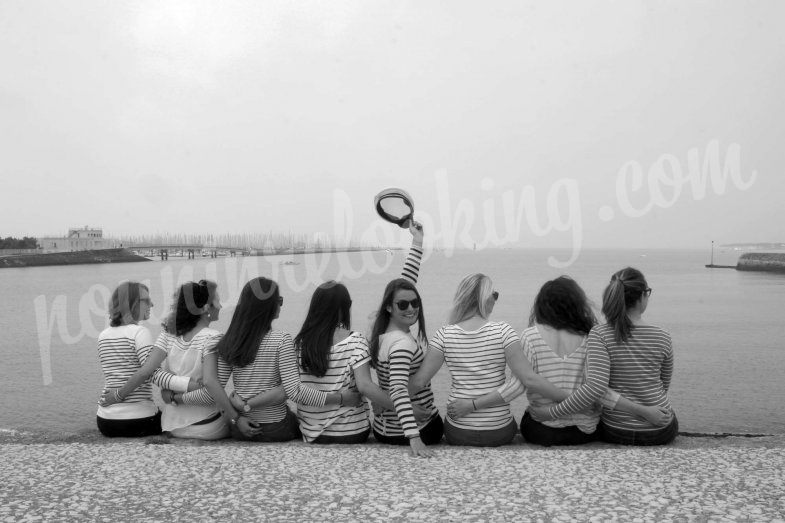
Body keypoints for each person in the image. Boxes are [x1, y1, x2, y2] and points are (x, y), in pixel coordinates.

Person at [411, 274, 573, 447]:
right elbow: (528, 379)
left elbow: (419, 381)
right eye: (494, 294)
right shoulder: (504, 332)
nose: (495, 299)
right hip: (499, 432)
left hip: (458, 431)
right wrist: (572, 399)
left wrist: (387, 402)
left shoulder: (444, 335)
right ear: (483, 298)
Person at [201, 277, 361, 442]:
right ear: (268, 306)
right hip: (276, 427)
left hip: (241, 428)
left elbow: (214, 386)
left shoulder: (230, 341)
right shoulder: (281, 340)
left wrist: (237, 416)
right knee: (297, 419)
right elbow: (294, 391)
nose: (280, 305)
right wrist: (341, 398)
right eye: (279, 300)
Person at [534, 269, 677, 446]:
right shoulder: (663, 336)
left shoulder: (600, 334)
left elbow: (596, 389)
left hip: (616, 430)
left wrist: (552, 412)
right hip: (659, 429)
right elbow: (663, 384)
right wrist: (646, 410)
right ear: (642, 296)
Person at [294, 281, 413, 444]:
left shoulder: (299, 344)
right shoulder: (355, 341)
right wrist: (407, 410)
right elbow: (366, 386)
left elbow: (296, 390)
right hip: (351, 431)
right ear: (344, 307)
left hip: (310, 431)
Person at [369, 220, 443, 457]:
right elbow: (399, 390)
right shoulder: (402, 344)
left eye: (415, 302)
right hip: (415, 429)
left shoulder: (382, 329)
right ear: (390, 307)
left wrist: (417, 242)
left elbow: (406, 282)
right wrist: (414, 438)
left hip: (383, 428)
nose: (411, 308)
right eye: (403, 304)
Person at [150, 280, 231, 440]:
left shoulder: (169, 335)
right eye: (218, 301)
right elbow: (210, 392)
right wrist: (191, 385)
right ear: (206, 308)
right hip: (207, 427)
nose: (221, 306)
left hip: (172, 427)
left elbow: (150, 371)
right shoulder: (213, 338)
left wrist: (173, 392)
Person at [96, 281, 167, 437]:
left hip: (105, 421)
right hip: (138, 421)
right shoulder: (140, 332)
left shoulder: (103, 336)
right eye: (147, 301)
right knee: (177, 421)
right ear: (131, 303)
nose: (152, 304)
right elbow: (149, 373)